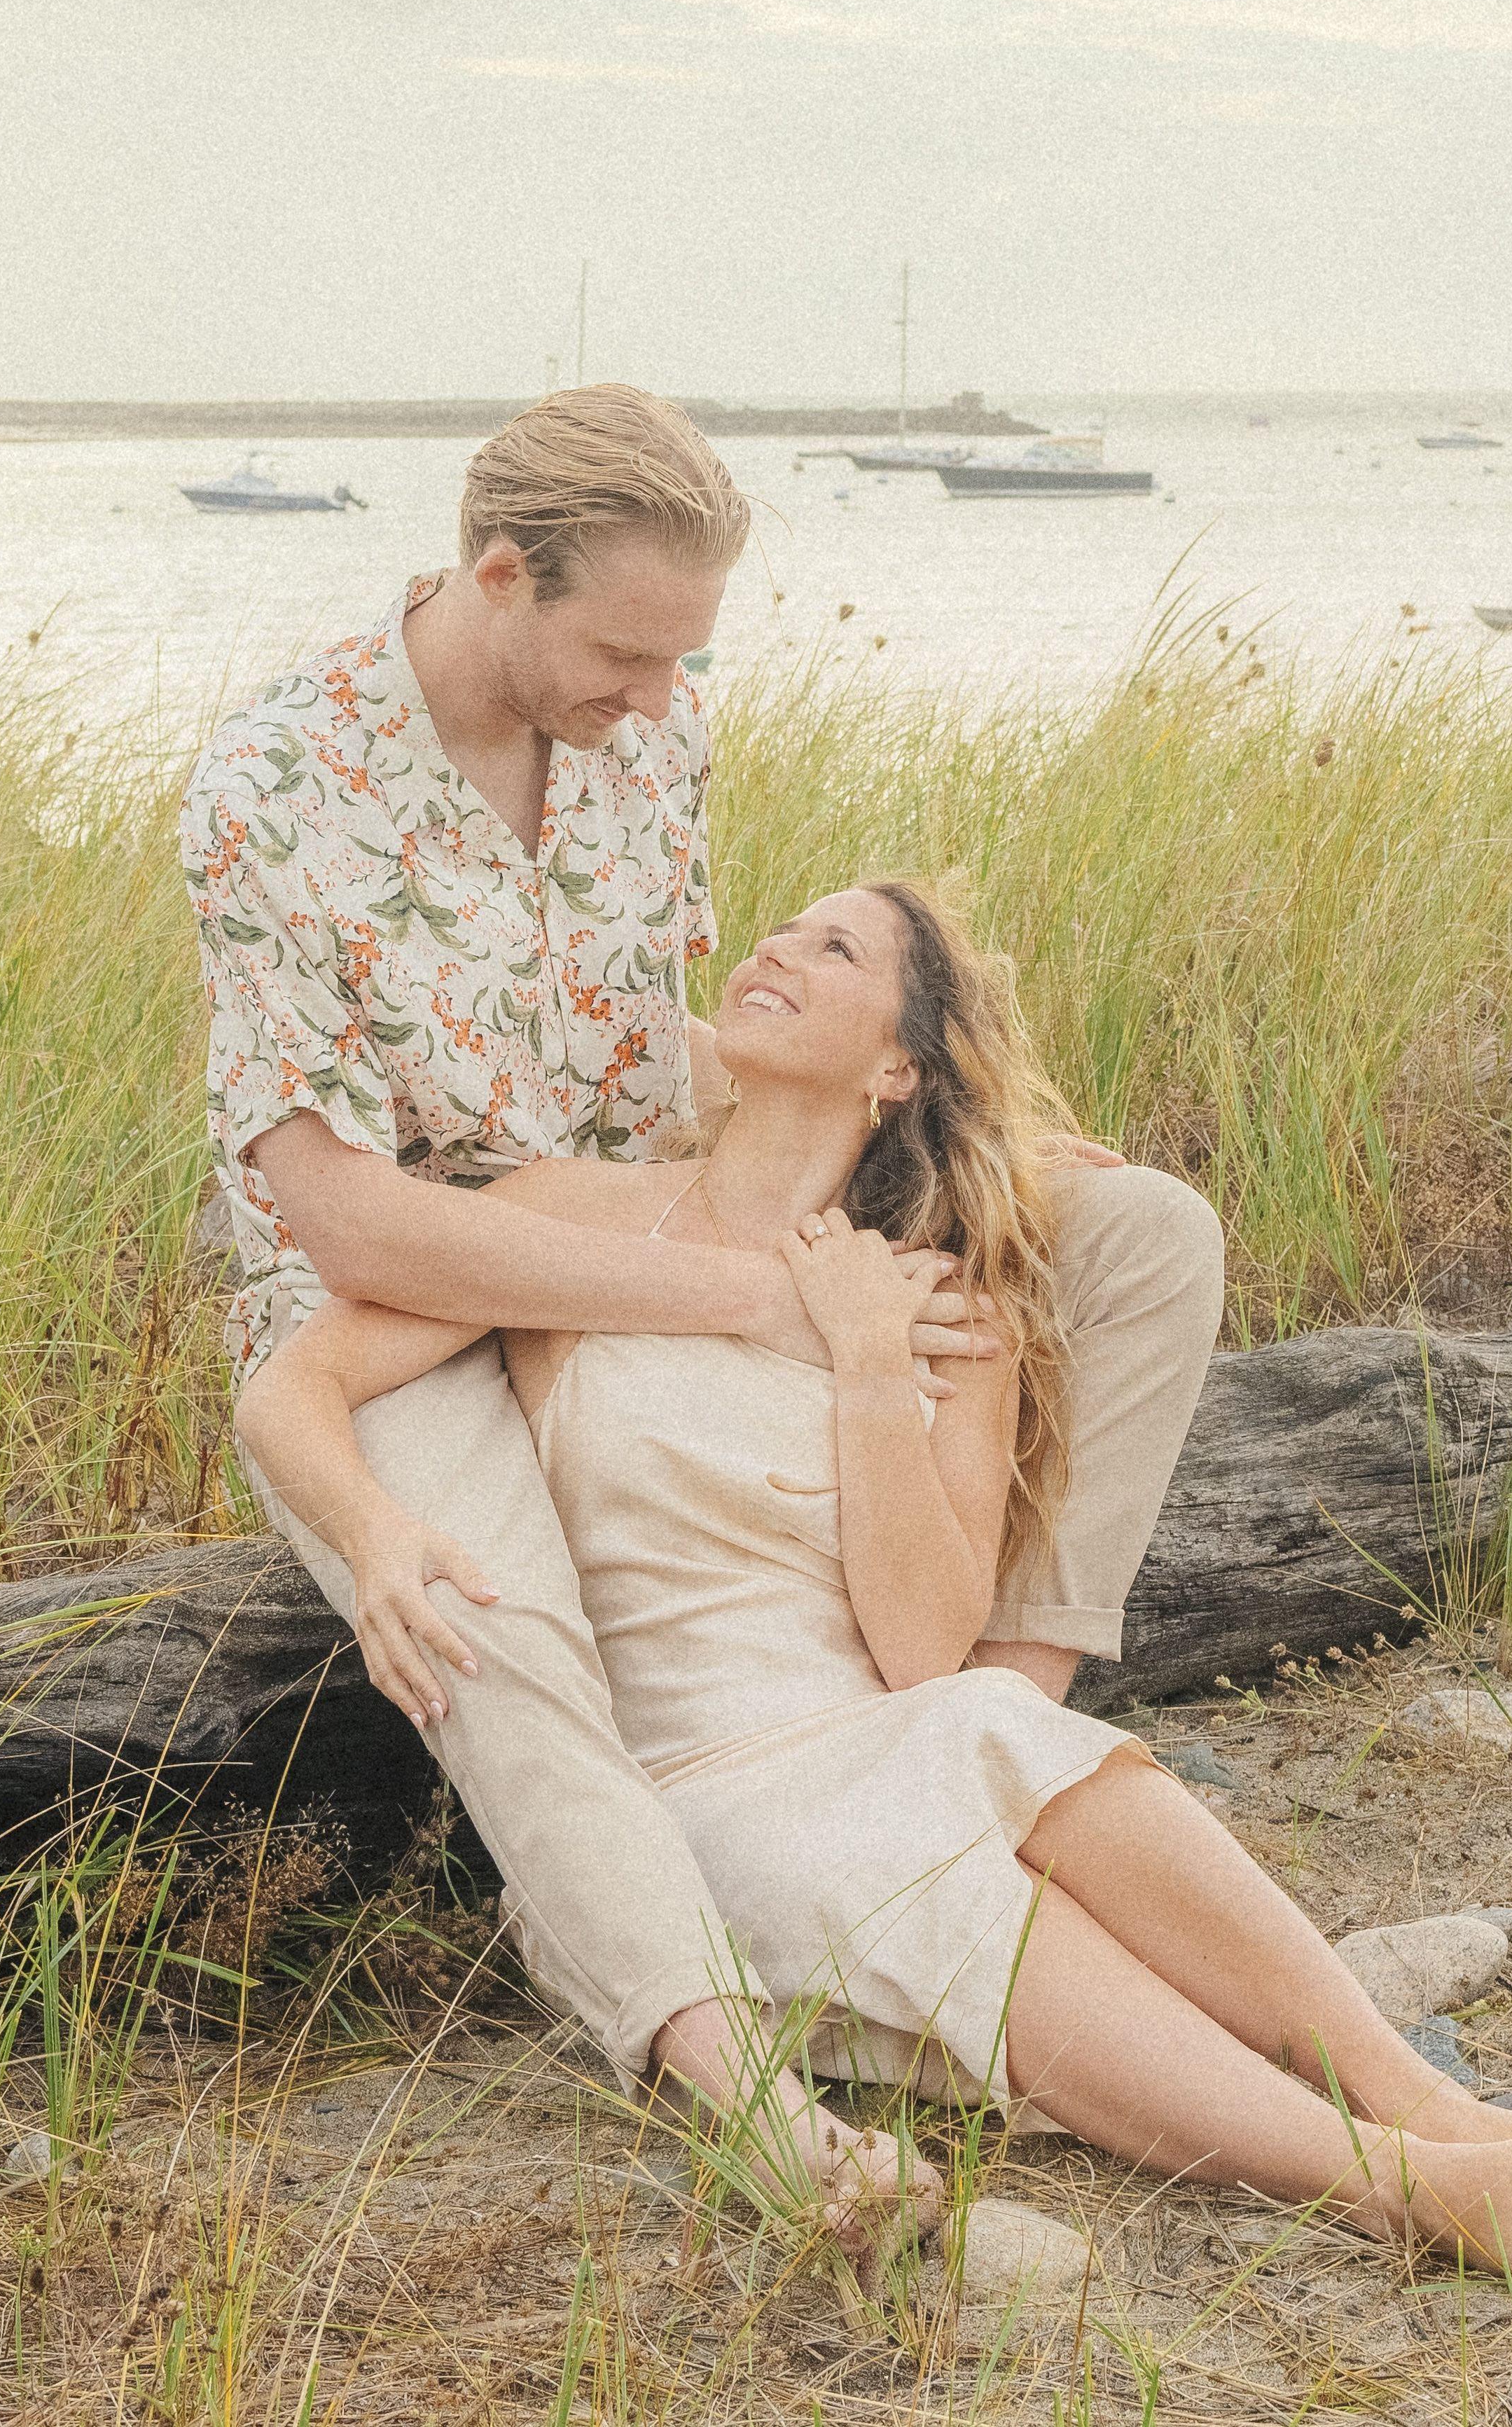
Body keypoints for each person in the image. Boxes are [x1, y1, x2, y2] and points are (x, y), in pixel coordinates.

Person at [179, 387, 1226, 2236]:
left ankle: (987, 1741)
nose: (662, 697)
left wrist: (899, 1136)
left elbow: (630, 1045)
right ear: (501, 576)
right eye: (628, 655)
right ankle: (747, 2098)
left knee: (1137, 1232)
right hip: (409, 1271)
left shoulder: (649, 719)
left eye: (688, 658)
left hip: (646, 1179)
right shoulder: (278, 782)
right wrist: (756, 1296)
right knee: (491, 1625)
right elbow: (345, 1212)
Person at [238, 882, 1512, 2273]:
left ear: (896, 1066)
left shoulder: (946, 1298)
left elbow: (924, 1648)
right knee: (922, 1856)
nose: (773, 950)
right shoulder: (574, 1215)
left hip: (869, 1719)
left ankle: (1425, 2099)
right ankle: (1389, 2186)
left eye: (835, 949)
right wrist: (374, 1531)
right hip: (674, 1787)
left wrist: (872, 1360)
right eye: (779, 931)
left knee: (1001, 1720)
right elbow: (299, 1384)